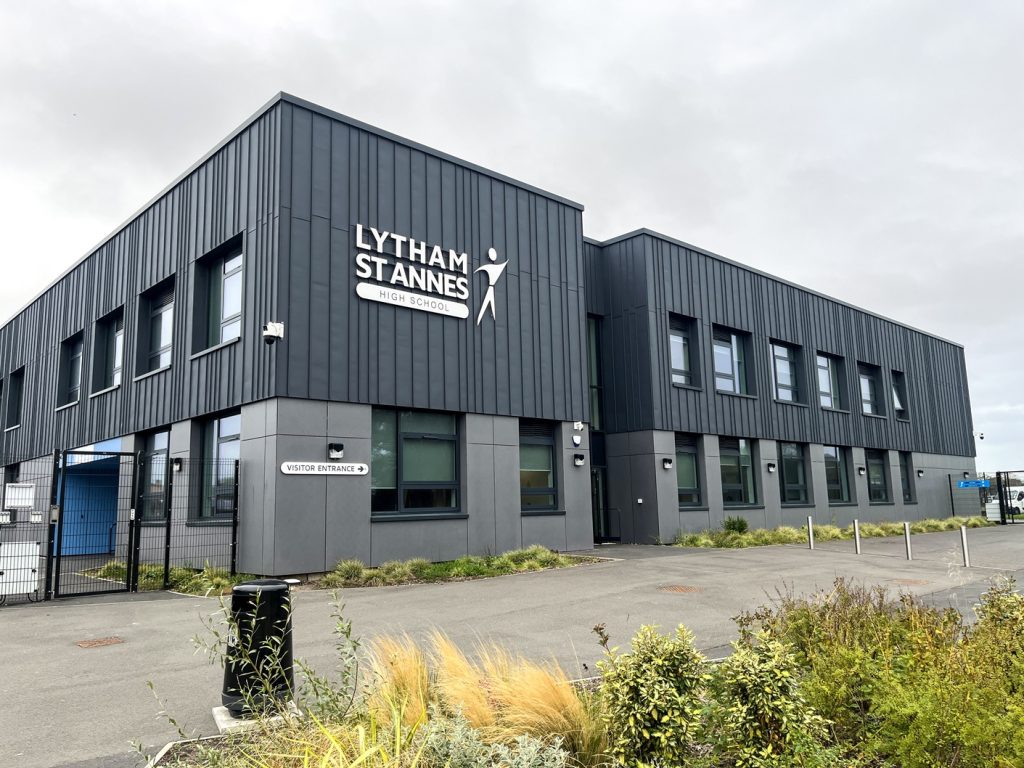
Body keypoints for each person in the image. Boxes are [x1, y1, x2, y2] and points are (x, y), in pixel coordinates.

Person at [475, 247, 507, 325]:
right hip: (490, 288)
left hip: (490, 288)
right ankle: (483, 318)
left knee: (487, 304)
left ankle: (482, 318)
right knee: (487, 304)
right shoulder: (493, 267)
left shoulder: (491, 267)